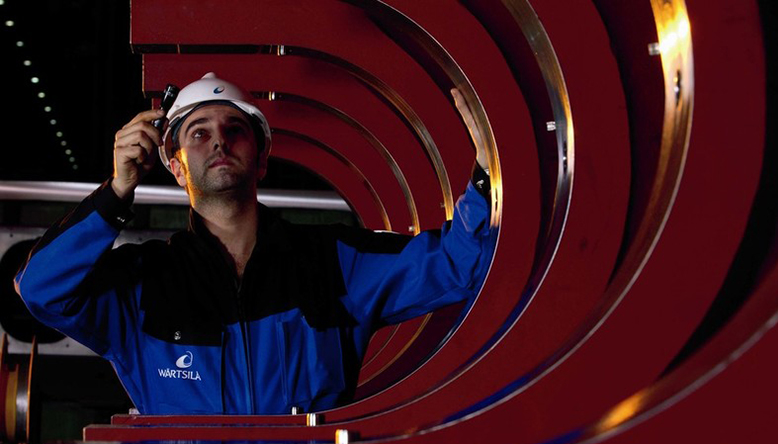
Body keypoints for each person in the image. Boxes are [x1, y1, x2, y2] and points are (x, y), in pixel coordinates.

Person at [15, 73, 492, 415]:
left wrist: (487, 176)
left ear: (261, 160)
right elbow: (39, 288)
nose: (218, 142)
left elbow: (456, 265)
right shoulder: (143, 284)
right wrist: (116, 192)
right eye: (198, 134)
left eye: (234, 130)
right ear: (177, 169)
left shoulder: (333, 262)